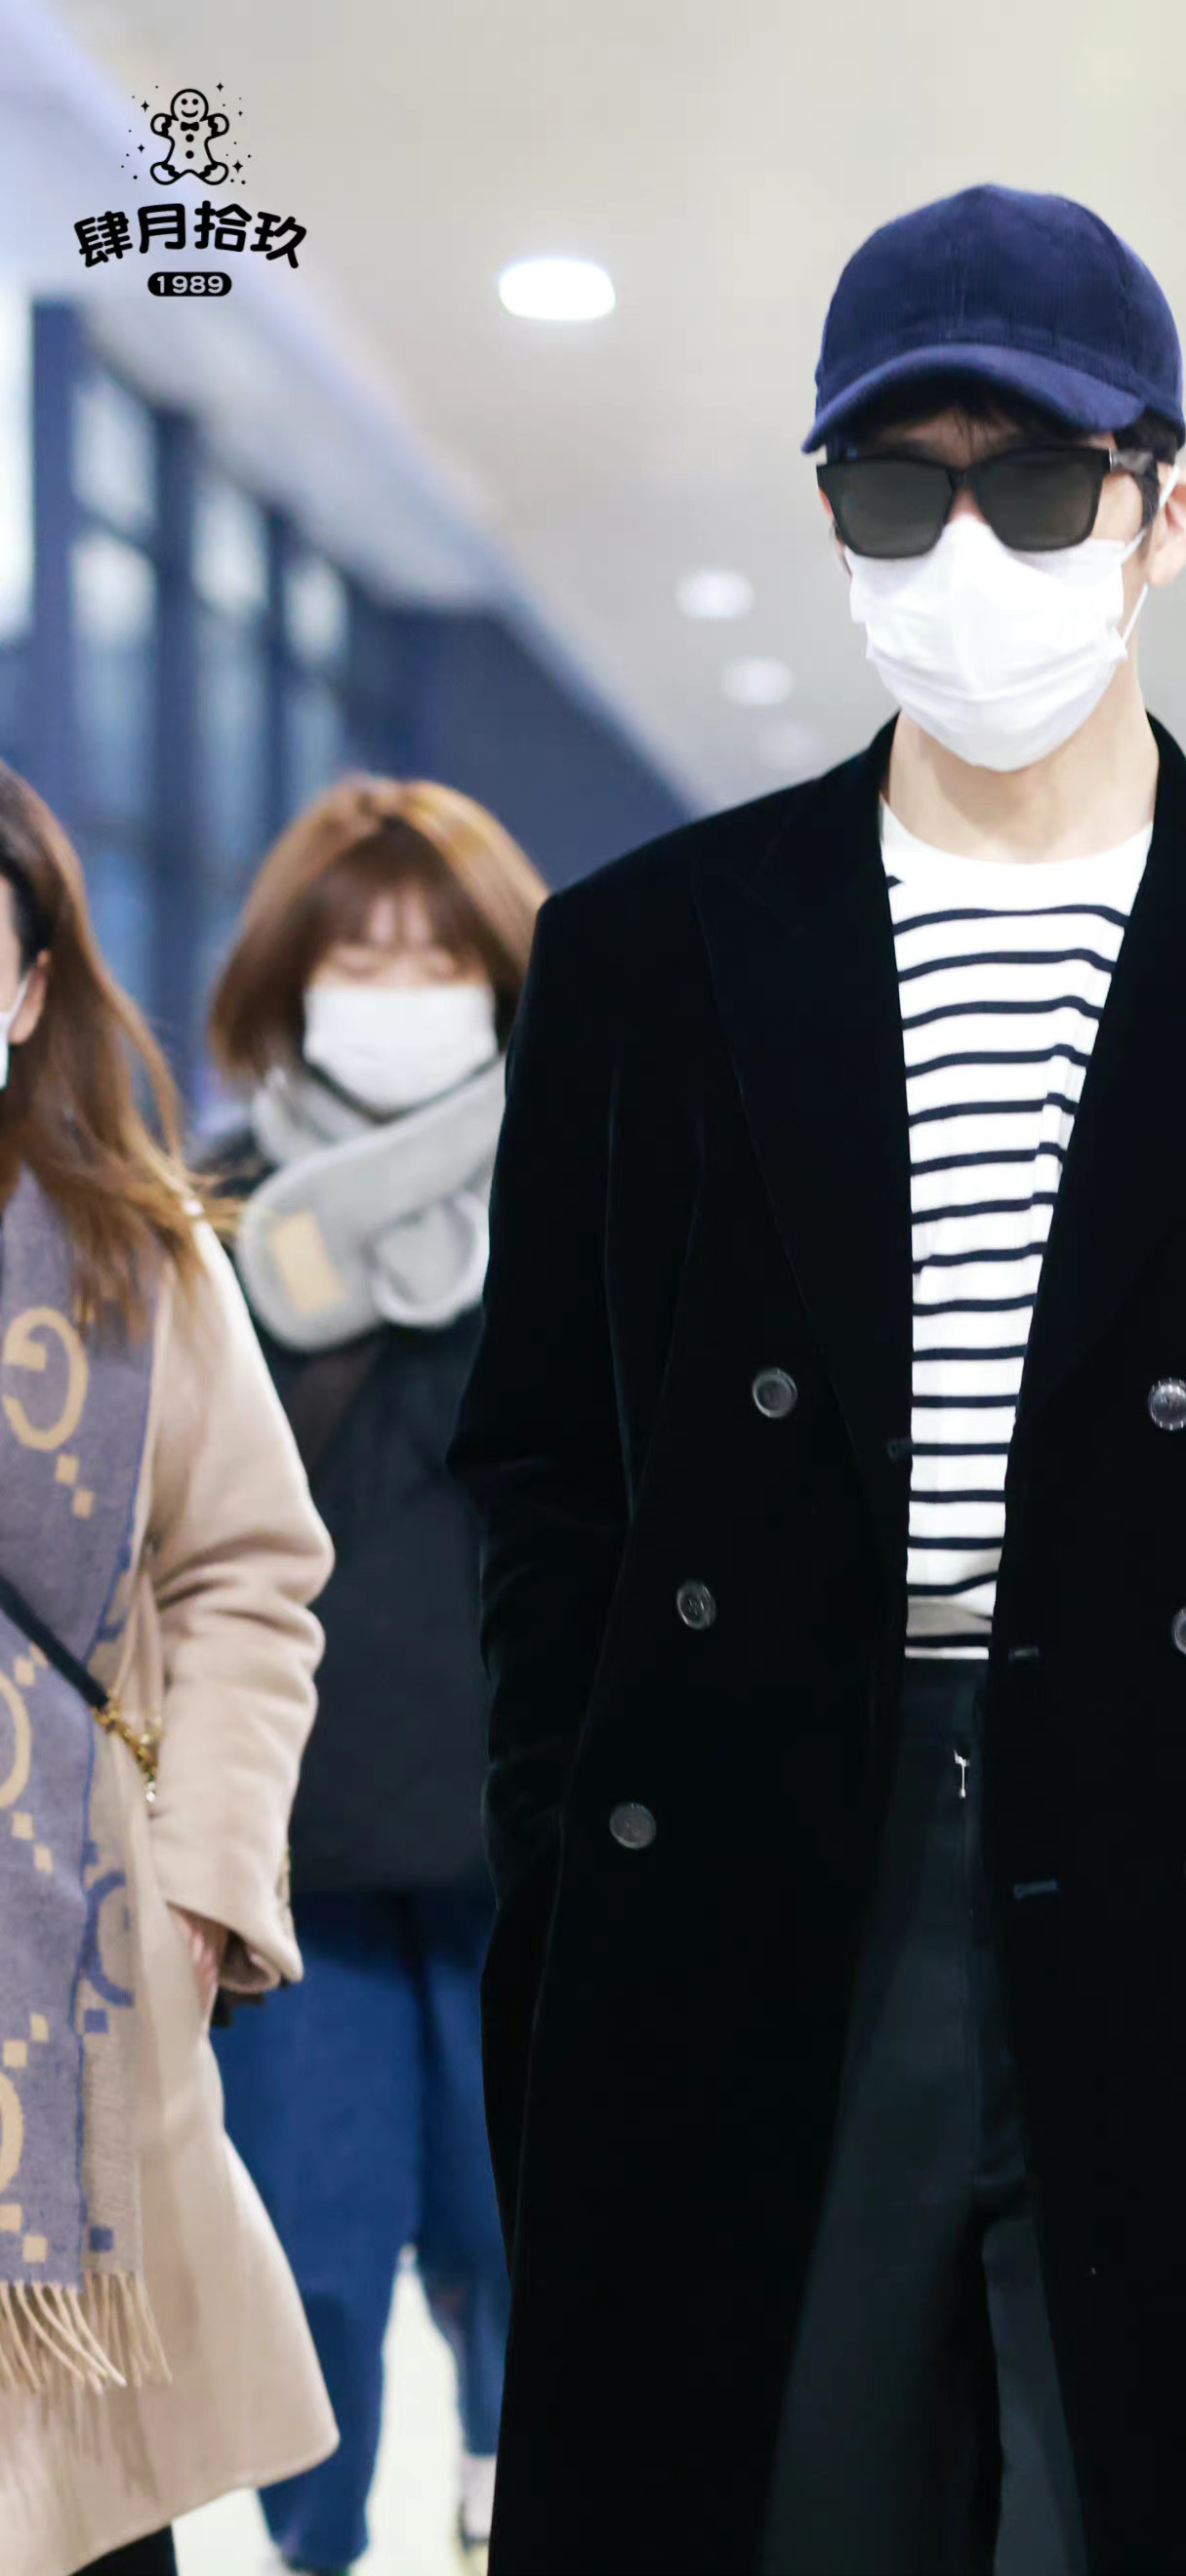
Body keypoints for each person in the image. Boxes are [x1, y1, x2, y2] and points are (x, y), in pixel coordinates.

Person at [448, 181, 1186, 2576]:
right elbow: (547, 1475)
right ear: (832, 521)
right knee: (752, 2507)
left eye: (1040, 485)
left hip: (1185, 1858)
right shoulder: (649, 955)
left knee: (1130, 2510)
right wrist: (568, 1865)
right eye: (900, 491)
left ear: (1170, 512)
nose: (968, 553)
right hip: (754, 1857)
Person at [199, 777, 546, 2575]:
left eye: (437, 957)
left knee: (518, 2231)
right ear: (289, 975)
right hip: (290, 1847)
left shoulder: (586, 1190)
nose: (400, 990)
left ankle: (512, 2489)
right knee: (314, 2251)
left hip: (531, 1833)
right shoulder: (206, 1212)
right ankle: (312, 2546)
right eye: (361, 955)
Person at [0, 763, 337, 2576]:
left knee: (77, 2506)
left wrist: (202, 1882)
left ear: (31, 986)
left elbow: (247, 1577)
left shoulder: (134, 1259)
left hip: (76, 1968)